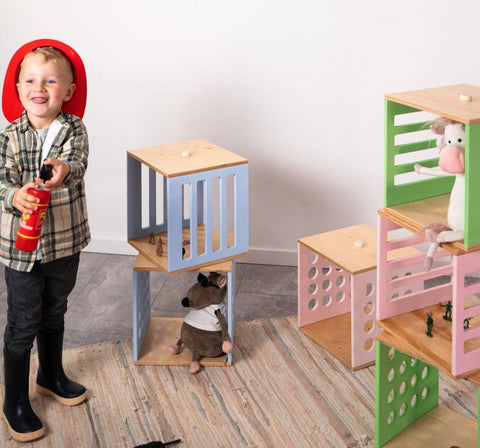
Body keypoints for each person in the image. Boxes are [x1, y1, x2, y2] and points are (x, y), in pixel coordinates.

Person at [0, 40, 90, 442]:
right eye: (32, 80)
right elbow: (0, 181)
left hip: (63, 242)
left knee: (55, 310)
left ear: (67, 91)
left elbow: (79, 162)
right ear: (18, 89)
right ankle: (14, 400)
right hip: (20, 248)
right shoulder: (8, 136)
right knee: (23, 321)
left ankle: (50, 374)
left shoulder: (73, 129)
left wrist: (62, 168)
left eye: (51, 81)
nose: (41, 87)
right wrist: (13, 195)